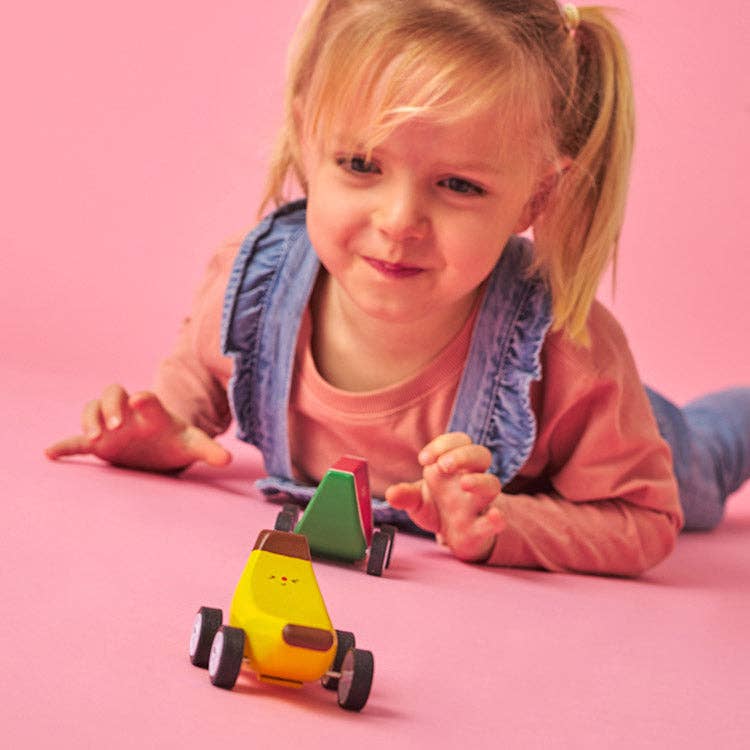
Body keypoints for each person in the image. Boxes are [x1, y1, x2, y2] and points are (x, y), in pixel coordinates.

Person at [45, 0, 750, 576]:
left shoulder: (573, 354)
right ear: (306, 136)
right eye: (360, 164)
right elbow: (197, 382)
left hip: (634, 442)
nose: (400, 221)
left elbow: (644, 520)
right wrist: (162, 427)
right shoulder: (254, 285)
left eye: (459, 185)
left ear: (536, 198)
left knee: (713, 447)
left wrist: (505, 523)